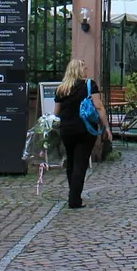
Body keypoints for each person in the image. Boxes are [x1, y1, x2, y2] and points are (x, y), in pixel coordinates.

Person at [55, 58, 110, 209]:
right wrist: (106, 127)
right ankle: (74, 199)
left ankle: (73, 194)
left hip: (66, 129)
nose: (87, 70)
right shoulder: (89, 85)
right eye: (84, 67)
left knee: (71, 162)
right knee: (81, 163)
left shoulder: (61, 89)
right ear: (79, 70)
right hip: (85, 129)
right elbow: (98, 106)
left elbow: (56, 113)